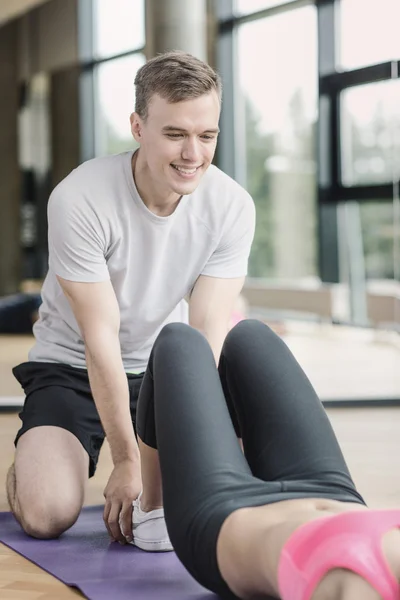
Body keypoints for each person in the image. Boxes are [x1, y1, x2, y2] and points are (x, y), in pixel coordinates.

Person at [6, 51, 255, 549]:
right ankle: (37, 462)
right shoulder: (81, 198)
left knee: (219, 491)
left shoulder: (230, 207)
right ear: (138, 127)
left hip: (161, 375)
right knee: (47, 513)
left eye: (207, 136)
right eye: (175, 134)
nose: (193, 154)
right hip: (72, 366)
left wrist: (197, 440)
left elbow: (206, 336)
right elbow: (100, 340)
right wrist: (127, 458)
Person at [134, 319, 400, 600]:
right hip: (330, 489)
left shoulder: (353, 588)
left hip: (223, 515)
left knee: (179, 341)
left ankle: (153, 506)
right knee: (250, 336)